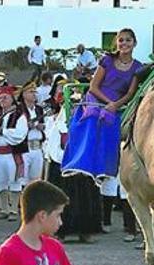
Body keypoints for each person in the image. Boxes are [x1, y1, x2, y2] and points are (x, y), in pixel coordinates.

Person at [61, 28, 142, 182]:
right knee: (92, 118)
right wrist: (107, 102)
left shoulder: (137, 67)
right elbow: (93, 87)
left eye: (128, 40)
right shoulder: (107, 60)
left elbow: (130, 93)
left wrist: (115, 105)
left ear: (134, 43)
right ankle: (80, 165)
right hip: (96, 98)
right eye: (121, 40)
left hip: (116, 104)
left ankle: (104, 169)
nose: (124, 43)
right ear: (117, 43)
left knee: (108, 122)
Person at [45, 74, 103, 243]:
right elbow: (55, 143)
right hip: (61, 162)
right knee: (59, 197)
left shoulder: (85, 115)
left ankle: (85, 231)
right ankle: (60, 231)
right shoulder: (56, 118)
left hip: (80, 162)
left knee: (84, 196)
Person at [0, 85, 28, 220]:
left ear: (12, 99)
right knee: (0, 181)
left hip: (12, 153)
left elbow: (20, 134)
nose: (2, 100)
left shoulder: (19, 115)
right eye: (0, 98)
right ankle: (4, 209)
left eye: (5, 97)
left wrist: (2, 132)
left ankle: (13, 210)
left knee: (14, 180)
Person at [17, 82, 47, 189]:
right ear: (24, 94)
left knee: (36, 180)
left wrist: (41, 126)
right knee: (23, 180)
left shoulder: (39, 109)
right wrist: (27, 126)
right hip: (25, 148)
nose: (34, 94)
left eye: (35, 92)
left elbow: (44, 124)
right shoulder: (19, 109)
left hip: (37, 147)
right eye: (31, 92)